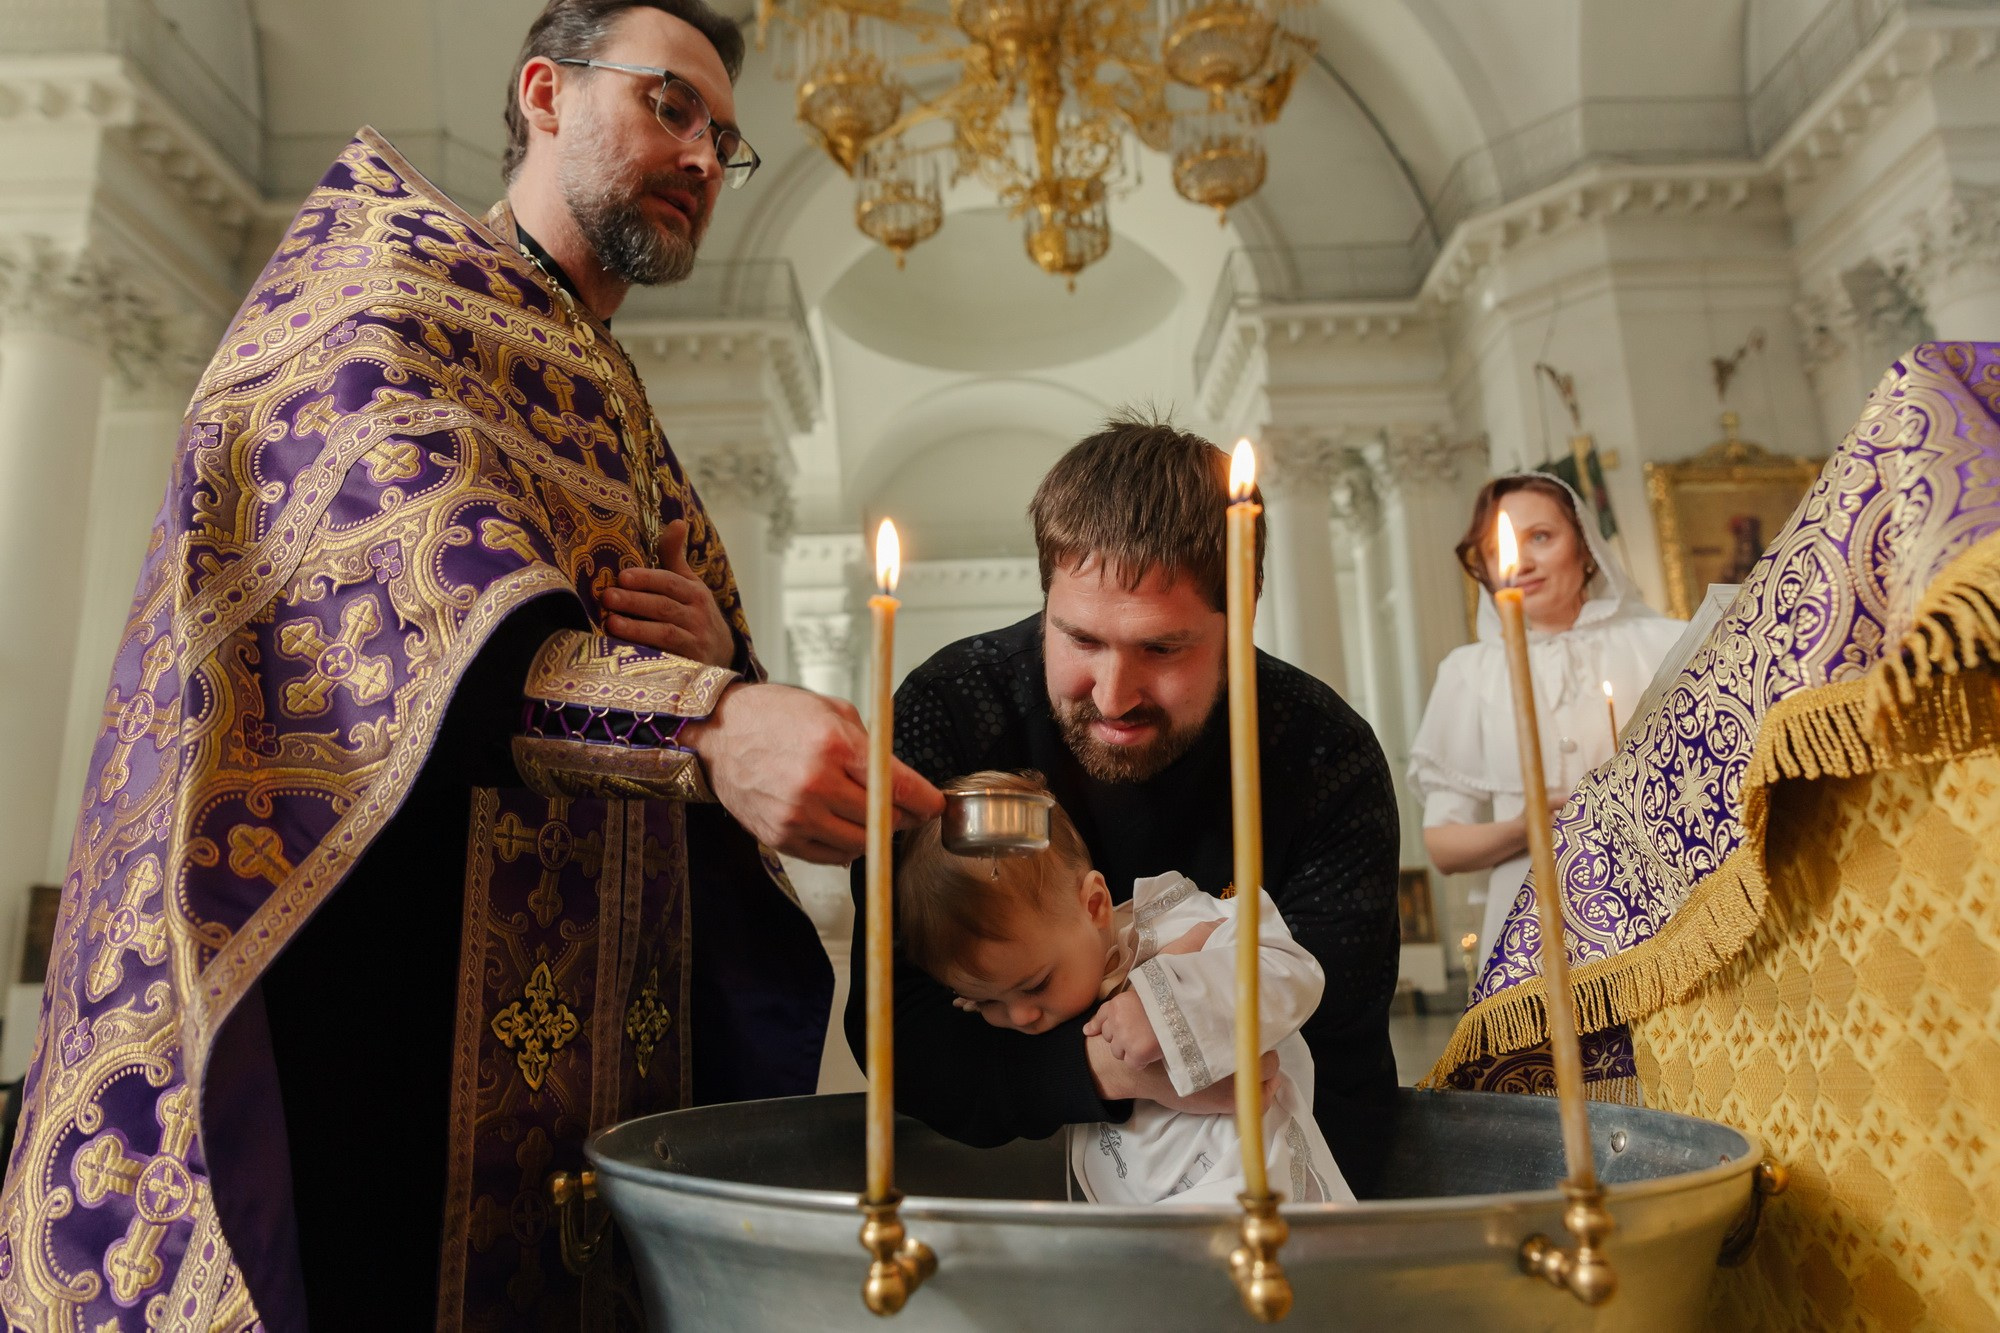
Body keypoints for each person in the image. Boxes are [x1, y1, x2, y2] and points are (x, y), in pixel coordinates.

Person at [0, 1, 941, 1328]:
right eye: (670, 105)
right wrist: (712, 721)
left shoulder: (620, 404)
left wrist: (723, 660)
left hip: (603, 1062)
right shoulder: (376, 295)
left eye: (723, 143)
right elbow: (412, 625)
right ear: (547, 91)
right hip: (385, 1030)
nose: (699, 157)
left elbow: (702, 680)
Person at [845, 416, 1402, 1190]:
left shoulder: (1321, 751)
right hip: (1012, 1197)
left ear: (1242, 614)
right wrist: (1115, 1069)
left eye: (1162, 649)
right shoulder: (954, 712)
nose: (1113, 696)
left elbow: (1328, 1041)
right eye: (1079, 639)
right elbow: (900, 1028)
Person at [898, 772, 1352, 1207]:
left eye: (1035, 985)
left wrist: (1162, 1002)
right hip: (1145, 1219)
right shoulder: (1052, 969)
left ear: (1094, 906)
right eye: (986, 1002)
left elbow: (1292, 970)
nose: (1020, 1017)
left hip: (1251, 1190)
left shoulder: (1182, 924)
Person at [1410, 474, 1682, 968]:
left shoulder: (1667, 644)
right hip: (1530, 927)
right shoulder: (1469, 673)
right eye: (1499, 548)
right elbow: (1444, 845)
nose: (1523, 561)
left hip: (1663, 907)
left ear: (1585, 546)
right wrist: (1524, 826)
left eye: (1541, 536)